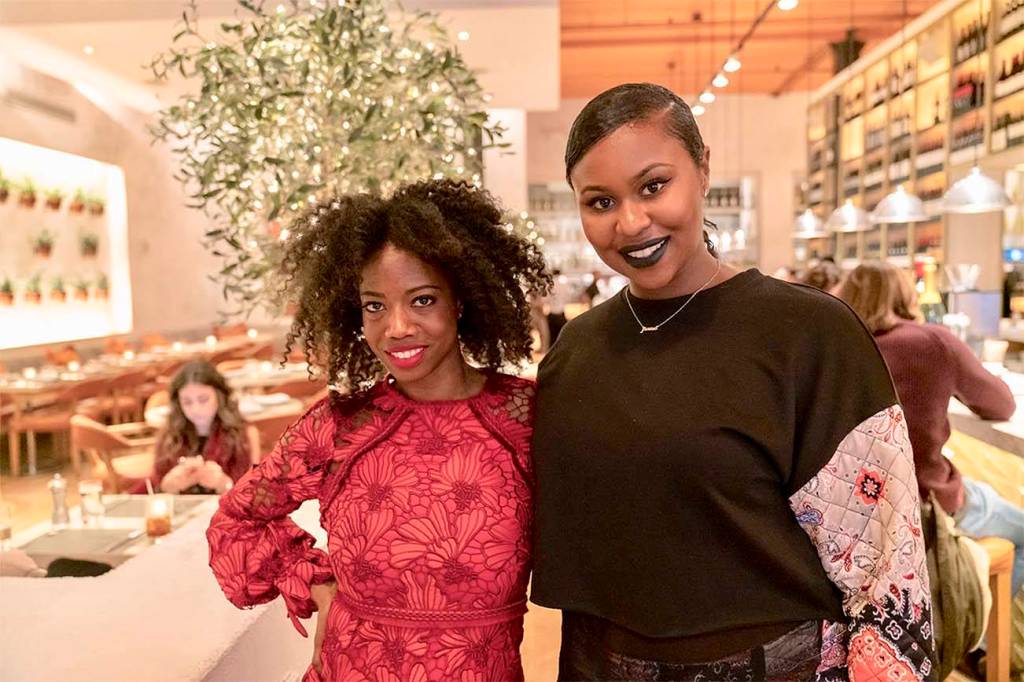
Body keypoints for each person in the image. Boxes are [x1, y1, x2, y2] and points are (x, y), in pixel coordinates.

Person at [530, 83, 935, 680]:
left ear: (702, 170)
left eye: (653, 186)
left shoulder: (809, 334)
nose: (631, 221)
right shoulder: (576, 350)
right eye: (601, 201)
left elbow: (886, 567)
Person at [206, 179, 549, 681]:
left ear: (460, 301)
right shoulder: (339, 425)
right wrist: (318, 586)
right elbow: (237, 520)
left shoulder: (525, 419)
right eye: (374, 306)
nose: (396, 327)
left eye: (422, 300)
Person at [836, 262, 1021, 597]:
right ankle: (979, 625)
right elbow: (1001, 404)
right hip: (926, 501)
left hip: (853, 513)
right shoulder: (933, 342)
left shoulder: (836, 347)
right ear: (907, 295)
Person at [154, 360, 257, 494]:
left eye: (203, 400)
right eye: (187, 402)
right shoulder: (169, 436)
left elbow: (254, 493)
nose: (196, 410)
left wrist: (224, 484)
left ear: (219, 397)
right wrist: (168, 486)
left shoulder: (244, 434)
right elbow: (156, 489)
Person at [546, 269, 572, 343]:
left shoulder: (549, 286)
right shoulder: (563, 285)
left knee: (552, 339)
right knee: (562, 338)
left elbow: (545, 300)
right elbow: (568, 298)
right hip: (561, 314)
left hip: (552, 315)